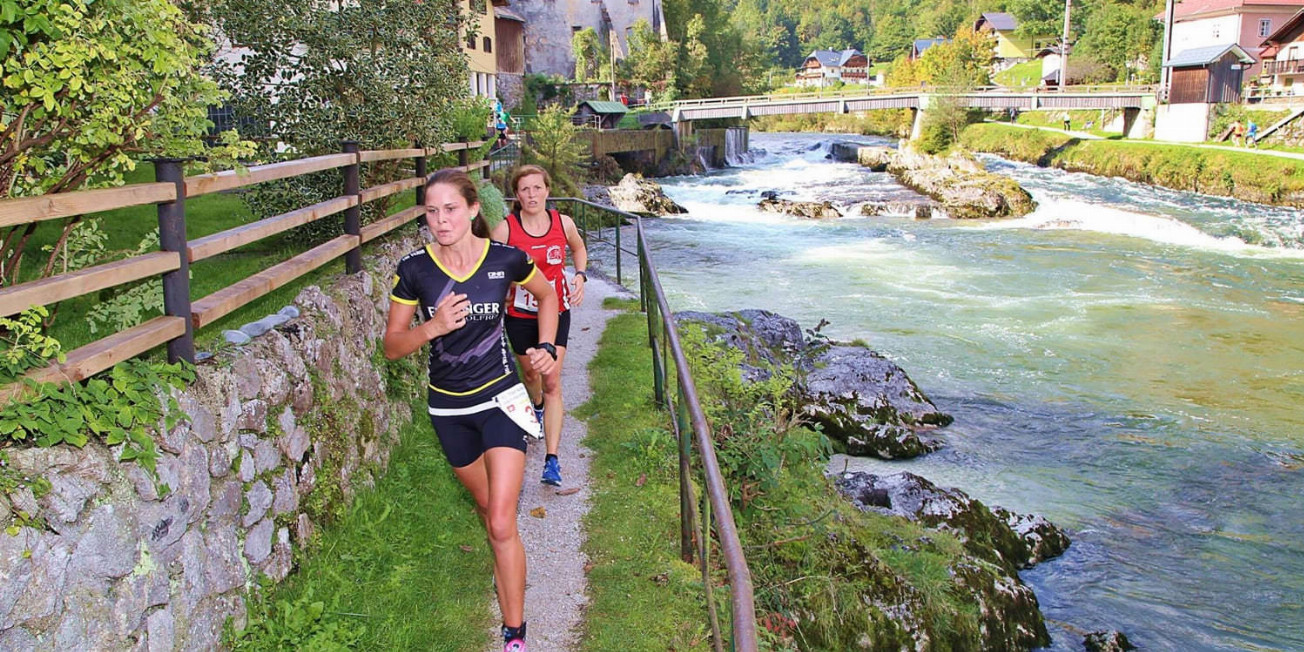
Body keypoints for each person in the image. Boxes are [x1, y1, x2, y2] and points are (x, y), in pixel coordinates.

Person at [385, 168, 560, 652]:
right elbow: (393, 347)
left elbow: (547, 295)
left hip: (502, 399)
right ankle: (507, 567)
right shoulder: (414, 269)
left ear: (473, 209)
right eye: (431, 211)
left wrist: (545, 345)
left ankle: (514, 633)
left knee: (502, 521)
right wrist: (432, 327)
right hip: (448, 410)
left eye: (450, 209)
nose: (441, 220)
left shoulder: (505, 259)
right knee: (488, 510)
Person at [491, 164, 589, 488]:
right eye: (524, 190)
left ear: (547, 190)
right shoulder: (506, 229)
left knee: (552, 379)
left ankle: (552, 460)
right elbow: (490, 266)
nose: (531, 195)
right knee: (531, 374)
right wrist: (501, 291)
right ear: (517, 196)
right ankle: (535, 405)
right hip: (519, 315)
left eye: (537, 188)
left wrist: (580, 275)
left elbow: (578, 248)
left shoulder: (563, 223)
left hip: (557, 309)